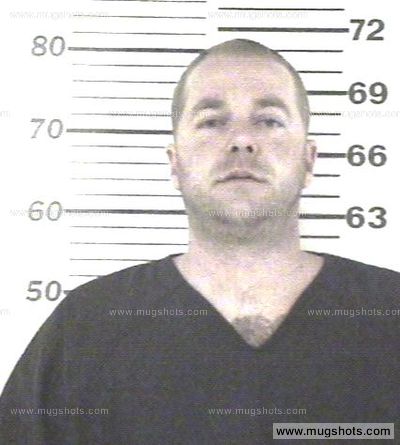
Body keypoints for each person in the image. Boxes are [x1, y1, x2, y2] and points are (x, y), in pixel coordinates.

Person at [0, 38, 399, 444]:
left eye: (269, 121)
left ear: (308, 161)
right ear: (175, 164)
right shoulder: (85, 329)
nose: (242, 140)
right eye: (211, 122)